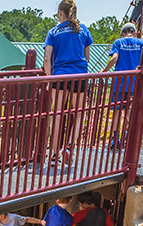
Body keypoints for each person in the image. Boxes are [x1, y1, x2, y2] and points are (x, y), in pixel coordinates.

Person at [43, 0, 93, 163]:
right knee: (78, 113)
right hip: (79, 75)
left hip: (60, 75)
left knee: (57, 115)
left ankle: (54, 154)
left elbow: (46, 59)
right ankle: (69, 146)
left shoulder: (53, 32)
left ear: (60, 13)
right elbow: (87, 57)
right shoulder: (83, 30)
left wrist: (49, 79)